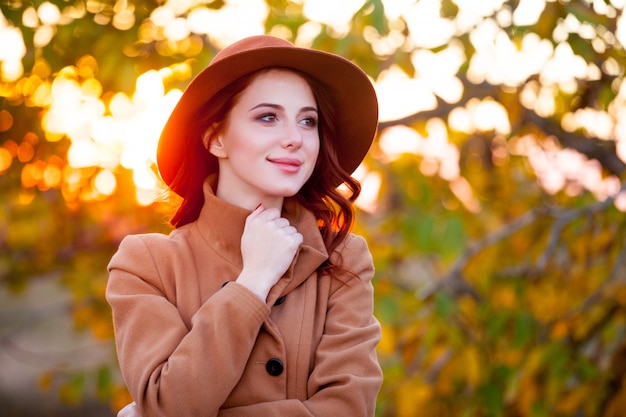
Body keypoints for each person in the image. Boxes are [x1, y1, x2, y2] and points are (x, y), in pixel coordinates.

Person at [106, 34, 382, 417]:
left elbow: (348, 408)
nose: (294, 139)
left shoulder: (342, 257)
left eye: (308, 121)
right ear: (216, 137)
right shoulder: (147, 263)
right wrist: (252, 284)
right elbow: (170, 405)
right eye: (268, 117)